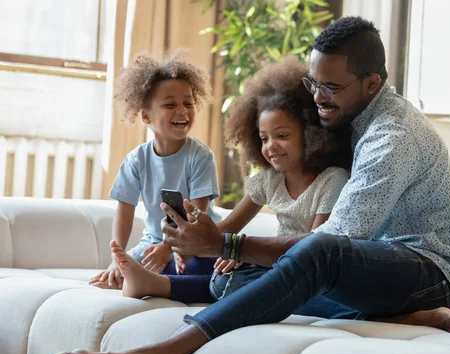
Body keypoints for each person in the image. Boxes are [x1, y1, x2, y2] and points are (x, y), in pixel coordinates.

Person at [53, 17, 450, 354]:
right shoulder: (348, 120)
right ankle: (407, 317)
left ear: (372, 84)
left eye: (331, 88)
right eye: (314, 84)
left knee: (317, 253)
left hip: (431, 271)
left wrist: (227, 243)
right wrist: (226, 252)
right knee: (235, 285)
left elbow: (332, 242)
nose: (318, 98)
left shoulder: (392, 137)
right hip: (375, 274)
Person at [115, 57, 352, 311]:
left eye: (282, 136)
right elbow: (227, 227)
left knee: (236, 280)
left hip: (305, 271)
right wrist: (197, 246)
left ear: (311, 132)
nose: (271, 146)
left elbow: (312, 250)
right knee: (212, 267)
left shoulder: (332, 180)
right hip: (275, 263)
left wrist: (241, 252)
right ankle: (155, 281)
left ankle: (158, 285)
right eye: (263, 138)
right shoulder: (268, 179)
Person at [88, 50, 220, 303]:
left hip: (196, 242)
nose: (182, 110)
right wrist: (118, 258)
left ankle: (157, 280)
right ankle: (149, 278)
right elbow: (124, 212)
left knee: (204, 267)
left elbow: (197, 215)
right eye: (170, 104)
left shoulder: (200, 156)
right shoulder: (136, 160)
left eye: (188, 103)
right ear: (146, 116)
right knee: (126, 268)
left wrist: (169, 248)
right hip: (154, 242)